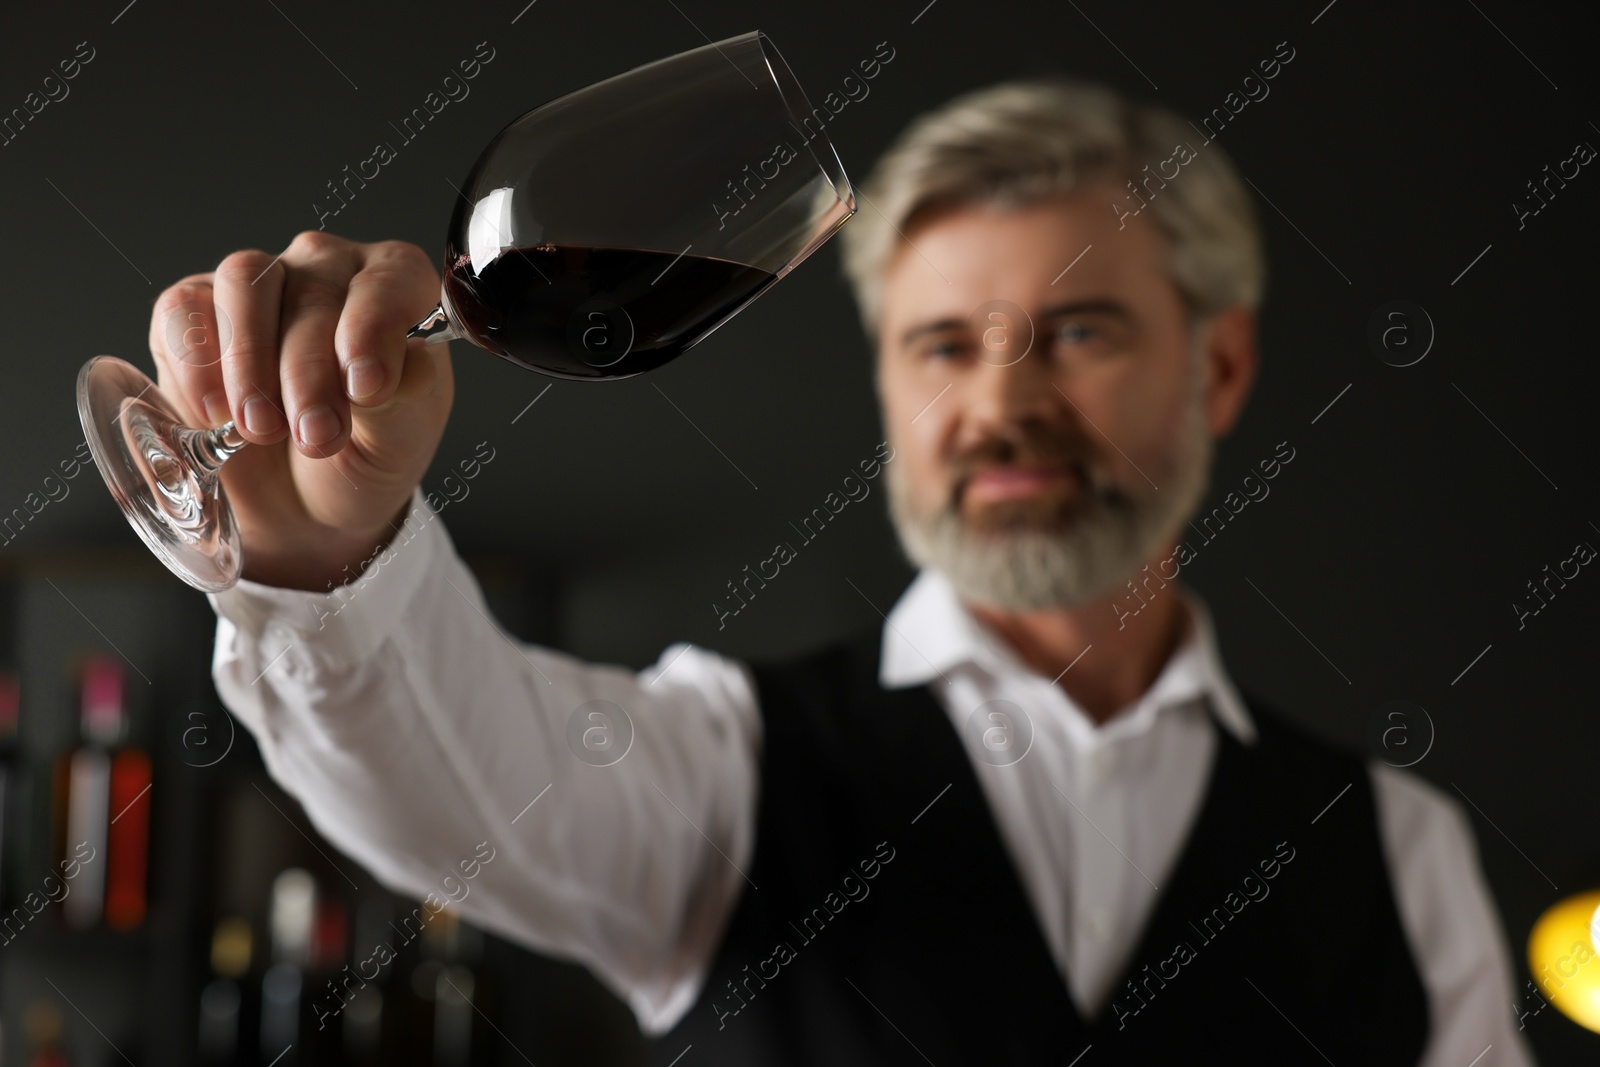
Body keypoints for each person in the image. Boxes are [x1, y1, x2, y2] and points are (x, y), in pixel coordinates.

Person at [154, 78, 1534, 1064]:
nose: (1001, 405)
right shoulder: (728, 765)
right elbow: (459, 787)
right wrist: (329, 547)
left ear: (1219, 368)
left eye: (1083, 331)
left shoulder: (1402, 854)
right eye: (944, 344)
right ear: (887, 379)